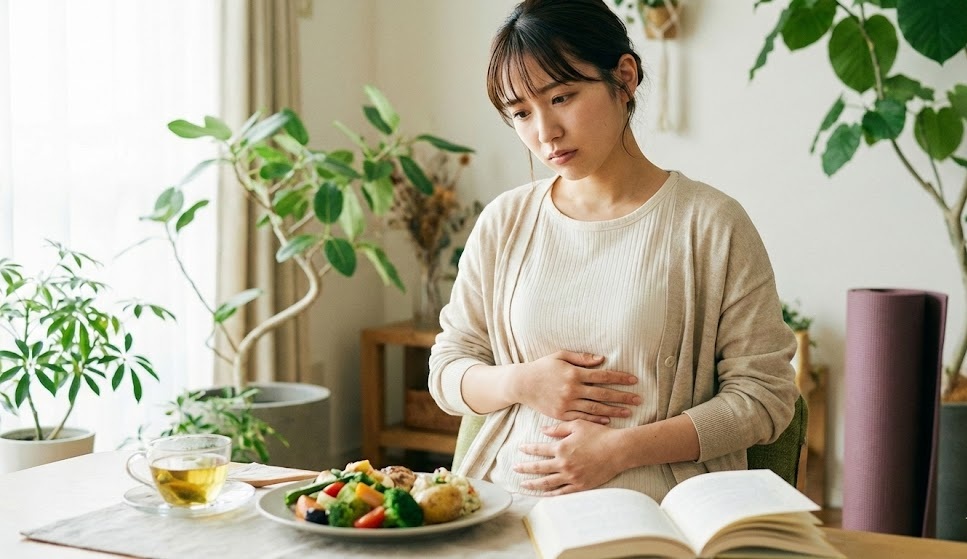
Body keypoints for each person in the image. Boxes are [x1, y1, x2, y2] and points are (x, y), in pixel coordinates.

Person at [428, 0, 798, 500]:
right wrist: (521, 382)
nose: (544, 133)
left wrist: (621, 450)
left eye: (561, 97)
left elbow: (766, 398)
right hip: (505, 507)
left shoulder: (711, 224)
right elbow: (447, 370)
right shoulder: (504, 222)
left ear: (624, 78)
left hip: (659, 513)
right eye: (520, 113)